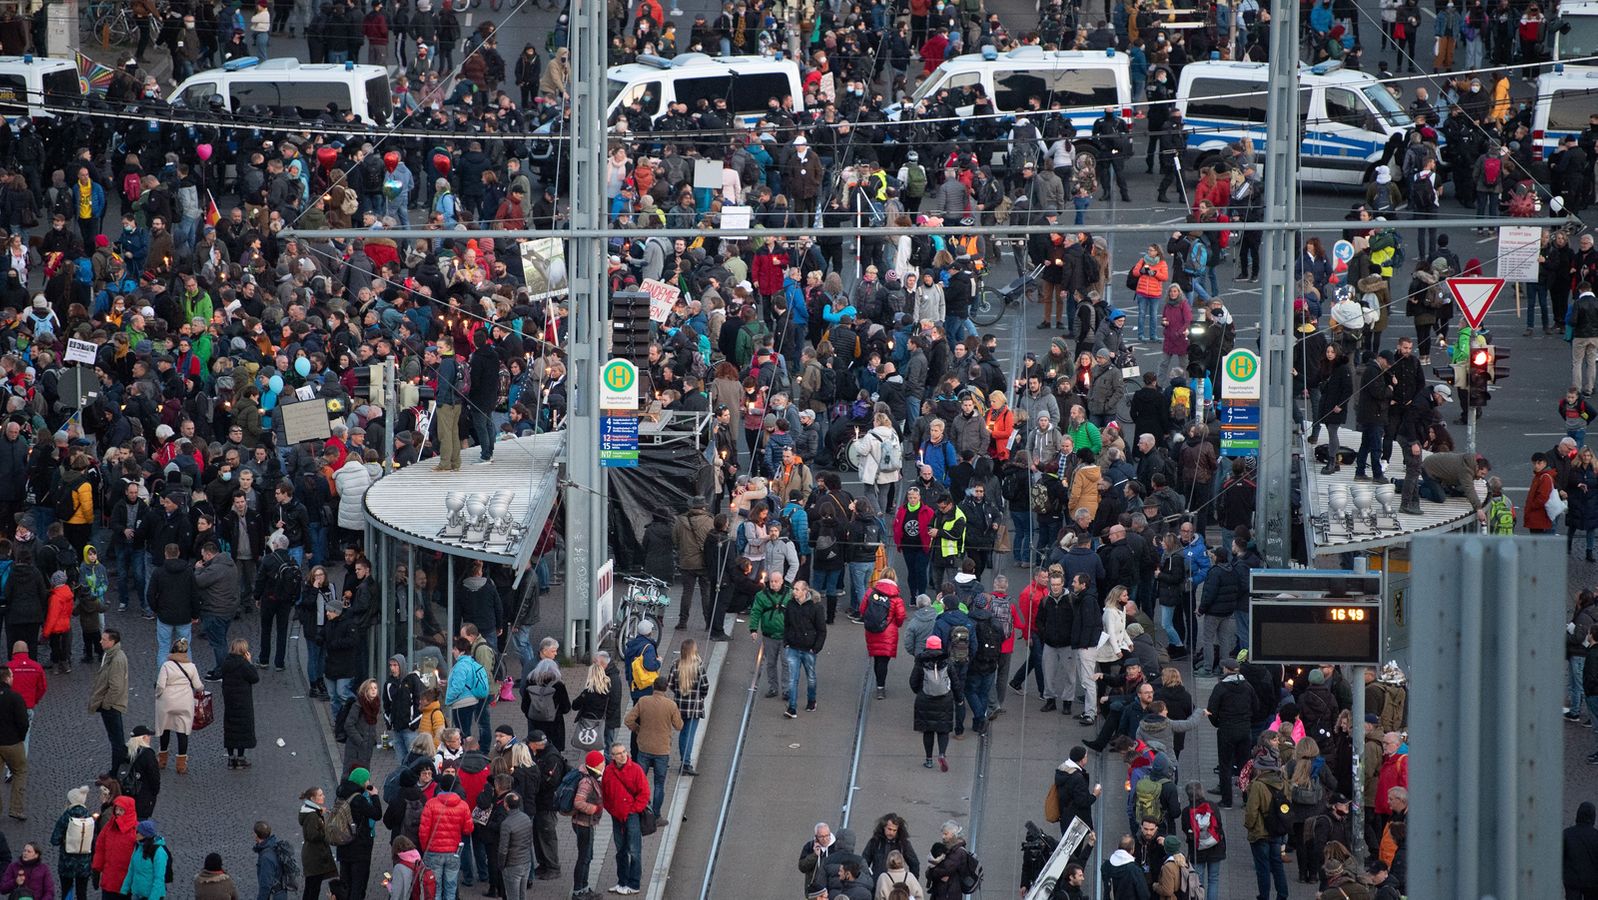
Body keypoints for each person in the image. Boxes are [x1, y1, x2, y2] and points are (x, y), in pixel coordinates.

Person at [624, 679, 682, 818]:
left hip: (644, 747)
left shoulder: (643, 701)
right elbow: (679, 726)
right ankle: (656, 816)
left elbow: (628, 720)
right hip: (662, 750)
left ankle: (639, 809)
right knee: (659, 784)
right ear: (666, 688)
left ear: (653, 687)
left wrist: (639, 730)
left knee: (639, 781)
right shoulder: (671, 705)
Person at [601, 743, 649, 896]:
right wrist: (612, 810)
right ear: (612, 756)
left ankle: (634, 884)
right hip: (617, 816)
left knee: (634, 851)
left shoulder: (635, 769)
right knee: (620, 850)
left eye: (624, 752)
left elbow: (644, 793)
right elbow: (605, 794)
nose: (622, 755)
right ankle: (622, 882)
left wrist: (633, 810)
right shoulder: (608, 771)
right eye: (618, 753)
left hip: (631, 816)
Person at [1243, 750, 1291, 900]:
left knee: (1263, 867)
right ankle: (1282, 895)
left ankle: (1264, 896)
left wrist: (1249, 826)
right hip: (1277, 830)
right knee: (1277, 865)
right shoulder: (1283, 783)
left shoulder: (1257, 785)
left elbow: (1251, 811)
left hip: (1260, 833)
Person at [419, 771, 474, 899]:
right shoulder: (463, 805)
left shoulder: (431, 804)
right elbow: (468, 829)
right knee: (450, 887)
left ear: (441, 786)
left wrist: (424, 848)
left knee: (435, 887)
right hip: (453, 851)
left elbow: (423, 831)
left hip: (433, 851)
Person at [910, 634, 959, 772]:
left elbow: (913, 682)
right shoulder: (947, 662)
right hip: (945, 700)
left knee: (928, 731)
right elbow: (955, 682)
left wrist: (919, 692)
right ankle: (942, 754)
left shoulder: (921, 662)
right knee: (943, 730)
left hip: (925, 700)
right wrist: (959, 699)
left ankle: (929, 760)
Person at [153, 637, 201, 775]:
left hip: (166, 702)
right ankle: (181, 765)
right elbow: (198, 686)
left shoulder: (166, 666)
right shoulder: (191, 667)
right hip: (184, 702)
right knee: (182, 732)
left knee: (165, 729)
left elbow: (161, 685)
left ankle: (162, 760)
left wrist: (157, 694)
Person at [783, 580, 827, 719]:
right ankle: (792, 708)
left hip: (809, 649)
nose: (794, 591)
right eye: (794, 589)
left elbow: (821, 630)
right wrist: (786, 642)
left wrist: (816, 648)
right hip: (793, 647)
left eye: (797, 589)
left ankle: (812, 700)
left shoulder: (816, 607)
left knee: (811, 677)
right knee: (792, 679)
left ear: (805, 591)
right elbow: (786, 625)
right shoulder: (790, 605)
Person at [666, 639, 709, 775]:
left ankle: (684, 760)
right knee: (689, 735)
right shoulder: (698, 667)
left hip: (680, 706)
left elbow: (670, 683)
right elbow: (705, 686)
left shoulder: (676, 665)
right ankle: (686, 763)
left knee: (683, 734)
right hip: (694, 707)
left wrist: (678, 693)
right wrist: (701, 696)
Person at [567, 750, 605, 900]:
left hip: (585, 823)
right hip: (583, 824)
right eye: (602, 762)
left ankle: (583, 887)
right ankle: (579, 891)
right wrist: (595, 809)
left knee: (587, 856)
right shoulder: (586, 782)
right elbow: (578, 802)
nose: (604, 764)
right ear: (597, 764)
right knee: (584, 857)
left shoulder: (590, 776)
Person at [218, 638, 260, 769]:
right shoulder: (244, 665)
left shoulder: (226, 663)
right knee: (242, 729)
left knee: (230, 729)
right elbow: (255, 678)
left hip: (230, 702)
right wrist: (250, 662)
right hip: (243, 703)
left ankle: (231, 758)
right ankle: (241, 758)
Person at [50, 785, 95, 900]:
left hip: (67, 863)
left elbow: (54, 840)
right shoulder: (89, 817)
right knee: (82, 892)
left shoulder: (66, 816)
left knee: (66, 891)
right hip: (84, 863)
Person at [93, 795, 139, 897]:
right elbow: (100, 848)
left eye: (121, 810)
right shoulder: (109, 827)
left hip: (126, 884)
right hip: (108, 881)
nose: (117, 812)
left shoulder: (136, 832)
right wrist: (96, 869)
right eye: (117, 809)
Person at [1565, 801, 1598, 900]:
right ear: (1593, 817)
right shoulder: (1596, 835)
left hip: (1572, 882)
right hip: (1593, 882)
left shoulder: (1566, 834)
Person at [252, 821, 293, 900]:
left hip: (274, 895)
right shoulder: (275, 845)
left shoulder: (266, 858)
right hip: (282, 892)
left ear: (256, 835)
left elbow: (266, 885)